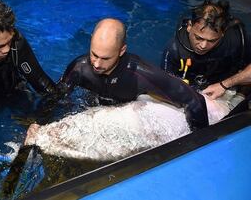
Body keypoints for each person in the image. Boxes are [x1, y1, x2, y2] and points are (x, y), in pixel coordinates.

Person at [57, 18, 209, 130]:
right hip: (93, 109)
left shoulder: (140, 74)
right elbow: (55, 97)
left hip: (125, 117)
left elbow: (195, 100)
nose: (96, 64)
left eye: (105, 58)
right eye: (94, 54)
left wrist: (198, 143)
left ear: (122, 50)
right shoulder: (80, 68)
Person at [161, 0, 251, 95]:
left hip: (225, 83)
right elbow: (164, 82)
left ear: (223, 33)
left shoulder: (236, 40)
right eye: (198, 38)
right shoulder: (174, 49)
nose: (203, 46)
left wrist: (224, 85)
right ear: (189, 26)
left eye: (212, 41)